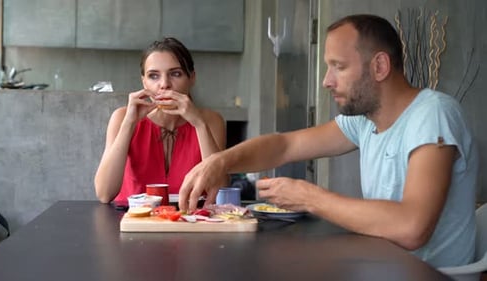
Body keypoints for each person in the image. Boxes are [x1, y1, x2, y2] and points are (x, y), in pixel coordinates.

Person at [178, 14, 479, 268]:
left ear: (379, 66)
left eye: (339, 66)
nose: (326, 81)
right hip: (384, 266)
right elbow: (285, 146)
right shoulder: (365, 120)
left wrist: (309, 198)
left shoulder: (433, 115)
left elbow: (412, 227)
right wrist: (220, 161)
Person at [94, 37, 226, 204]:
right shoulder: (122, 117)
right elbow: (104, 194)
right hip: (132, 221)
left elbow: (220, 191)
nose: (164, 84)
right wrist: (129, 124)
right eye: (154, 76)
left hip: (191, 222)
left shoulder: (211, 121)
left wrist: (199, 124)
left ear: (192, 78)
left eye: (175, 74)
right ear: (144, 82)